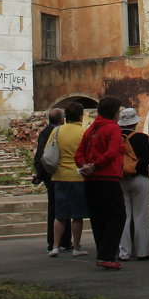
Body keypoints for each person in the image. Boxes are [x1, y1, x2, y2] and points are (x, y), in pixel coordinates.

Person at [75, 95, 127, 270]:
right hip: (107, 177)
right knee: (118, 215)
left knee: (98, 218)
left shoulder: (91, 129)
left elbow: (78, 153)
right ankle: (107, 254)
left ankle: (103, 253)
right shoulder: (112, 128)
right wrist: (95, 166)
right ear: (114, 111)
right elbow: (112, 152)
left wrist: (85, 166)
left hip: (91, 179)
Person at [47, 101, 89, 257]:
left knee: (60, 215)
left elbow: (48, 152)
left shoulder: (57, 131)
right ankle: (76, 247)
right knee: (77, 216)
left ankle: (55, 246)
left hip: (59, 176)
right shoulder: (83, 132)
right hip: (78, 176)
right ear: (81, 116)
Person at [33, 106, 72, 253]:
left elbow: (40, 156)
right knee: (61, 210)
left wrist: (39, 175)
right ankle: (62, 241)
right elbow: (45, 156)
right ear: (62, 119)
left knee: (56, 210)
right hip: (57, 175)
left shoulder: (45, 132)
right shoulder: (56, 132)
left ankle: (56, 242)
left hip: (50, 175)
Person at [117, 107, 149, 261]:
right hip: (140, 178)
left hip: (120, 179)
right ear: (135, 122)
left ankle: (124, 252)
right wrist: (135, 168)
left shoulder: (115, 137)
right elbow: (147, 159)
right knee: (141, 215)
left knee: (124, 216)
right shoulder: (142, 138)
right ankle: (142, 251)